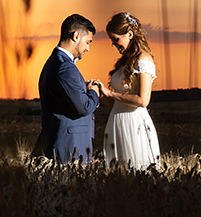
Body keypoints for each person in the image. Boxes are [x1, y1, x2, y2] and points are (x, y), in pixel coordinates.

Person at [93, 12, 161, 169]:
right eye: (111, 40)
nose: (113, 44)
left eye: (116, 39)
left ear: (129, 34)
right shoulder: (125, 62)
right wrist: (100, 93)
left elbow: (143, 100)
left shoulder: (143, 60)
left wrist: (110, 93)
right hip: (117, 124)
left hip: (135, 126)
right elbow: (116, 104)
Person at [34, 14, 103, 163]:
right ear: (76, 36)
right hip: (69, 146)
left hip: (65, 143)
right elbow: (83, 107)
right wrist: (93, 92)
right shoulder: (65, 68)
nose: (88, 48)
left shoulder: (55, 62)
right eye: (87, 42)